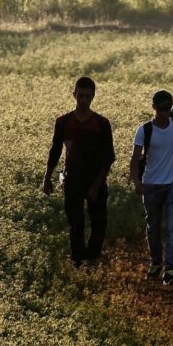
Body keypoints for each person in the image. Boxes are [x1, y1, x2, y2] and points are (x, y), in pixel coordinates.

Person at [44, 77, 116, 268]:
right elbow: (55, 150)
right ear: (74, 95)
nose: (83, 100)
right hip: (72, 178)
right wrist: (47, 177)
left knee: (98, 221)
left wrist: (96, 185)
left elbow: (108, 157)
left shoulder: (101, 124)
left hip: (95, 178)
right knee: (75, 222)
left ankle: (92, 258)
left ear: (93, 97)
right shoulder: (63, 122)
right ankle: (77, 260)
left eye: (87, 96)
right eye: (80, 95)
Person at [130, 90, 173, 285]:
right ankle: (156, 262)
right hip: (151, 186)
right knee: (153, 228)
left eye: (167, 109)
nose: (164, 113)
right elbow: (135, 159)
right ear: (154, 108)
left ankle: (170, 269)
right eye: (161, 109)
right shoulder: (145, 130)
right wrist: (137, 182)